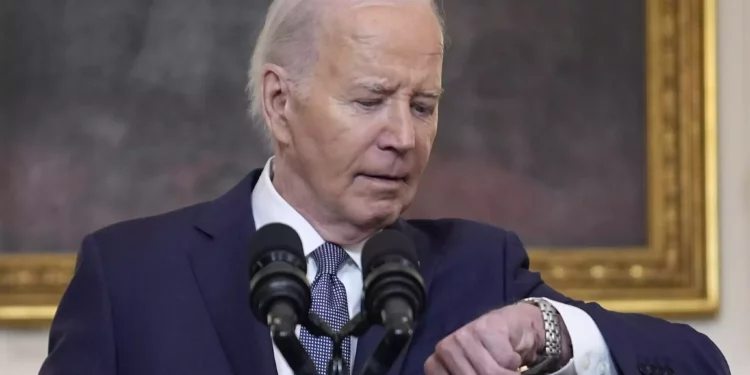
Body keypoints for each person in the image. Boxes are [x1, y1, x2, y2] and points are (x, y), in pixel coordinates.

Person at [39, 0, 730, 374]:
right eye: (371, 101)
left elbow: (698, 365)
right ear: (281, 103)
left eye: (423, 105)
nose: (404, 136)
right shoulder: (130, 277)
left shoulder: (478, 269)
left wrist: (547, 329)